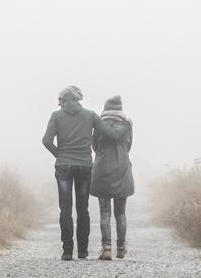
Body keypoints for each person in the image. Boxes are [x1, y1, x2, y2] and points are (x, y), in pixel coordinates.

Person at [42, 85, 120, 260]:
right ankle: (83, 251)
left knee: (65, 209)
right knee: (82, 209)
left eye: (60, 100)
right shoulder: (90, 115)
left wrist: (60, 154)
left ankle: (67, 251)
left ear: (64, 99)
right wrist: (125, 124)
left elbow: (46, 140)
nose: (59, 103)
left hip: (63, 166)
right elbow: (110, 134)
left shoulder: (56, 116)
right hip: (85, 166)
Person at [90, 95, 133, 260]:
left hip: (102, 170)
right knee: (121, 213)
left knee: (105, 212)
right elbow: (128, 146)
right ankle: (121, 248)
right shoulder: (127, 125)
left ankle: (106, 248)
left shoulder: (99, 126)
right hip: (122, 169)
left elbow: (94, 146)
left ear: (105, 110)